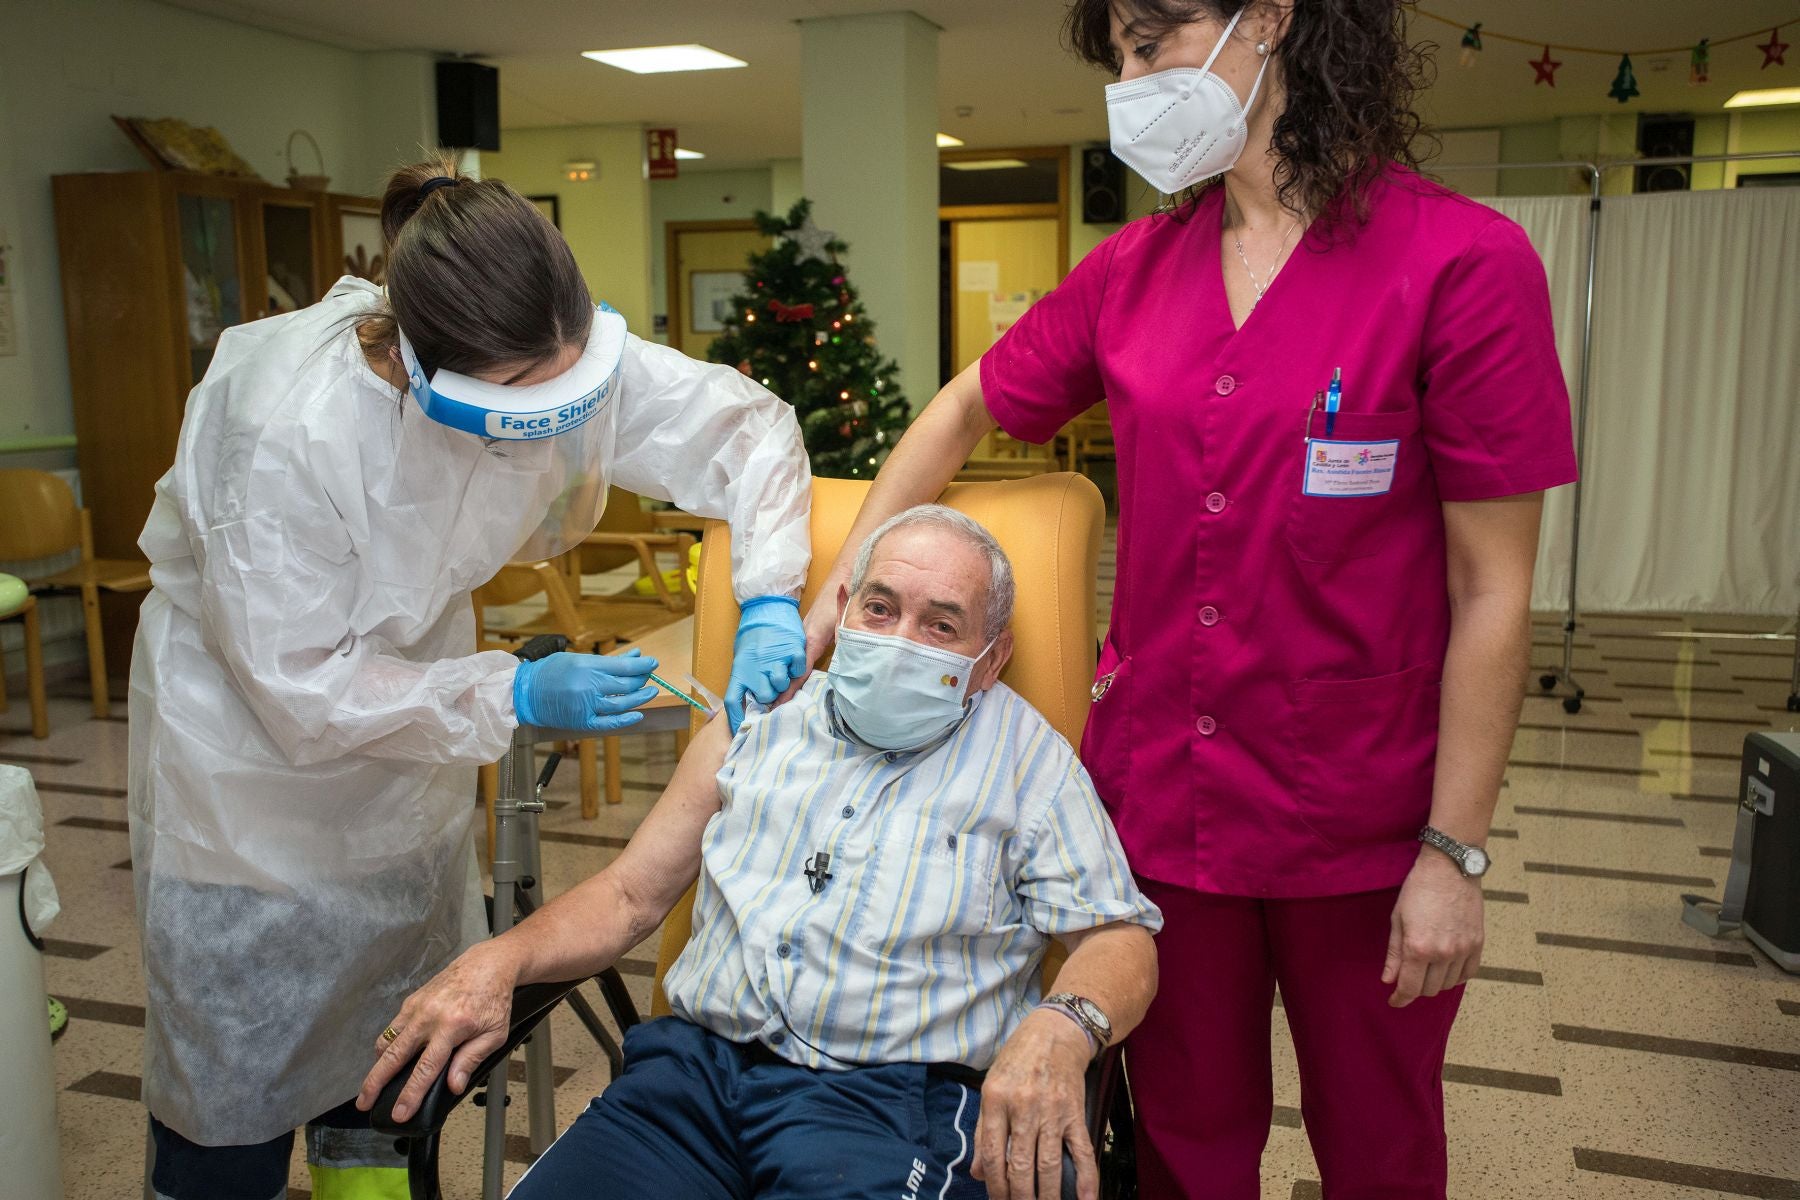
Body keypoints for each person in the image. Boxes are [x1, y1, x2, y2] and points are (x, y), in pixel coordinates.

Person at [800, 4, 1579, 1197]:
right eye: (1117, 52)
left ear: (1269, 18)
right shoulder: (1134, 269)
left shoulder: (1461, 263)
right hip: (1165, 806)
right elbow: (963, 408)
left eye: (1153, 40)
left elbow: (1494, 590)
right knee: (1180, 1140)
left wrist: (1453, 855)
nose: (1131, 78)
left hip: (1363, 815)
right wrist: (848, 577)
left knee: (1379, 1142)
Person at [129, 154, 813, 1199]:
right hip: (247, 783)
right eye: (515, 400)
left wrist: (769, 594)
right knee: (237, 1079)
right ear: (420, 364)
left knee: (391, 1058)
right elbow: (298, 686)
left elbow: (743, 430)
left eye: (570, 385)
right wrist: (512, 694)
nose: (554, 416)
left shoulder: (549, 347)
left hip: (408, 748)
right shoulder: (284, 429)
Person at [358, 506, 1163, 1200]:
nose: (901, 640)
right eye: (879, 608)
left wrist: (1064, 1026)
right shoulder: (758, 718)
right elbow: (631, 894)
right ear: (843, 610)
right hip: (689, 1082)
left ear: (989, 659)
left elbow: (1119, 938)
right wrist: (498, 961)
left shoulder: (1028, 762)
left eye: (941, 624)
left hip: (888, 1106)